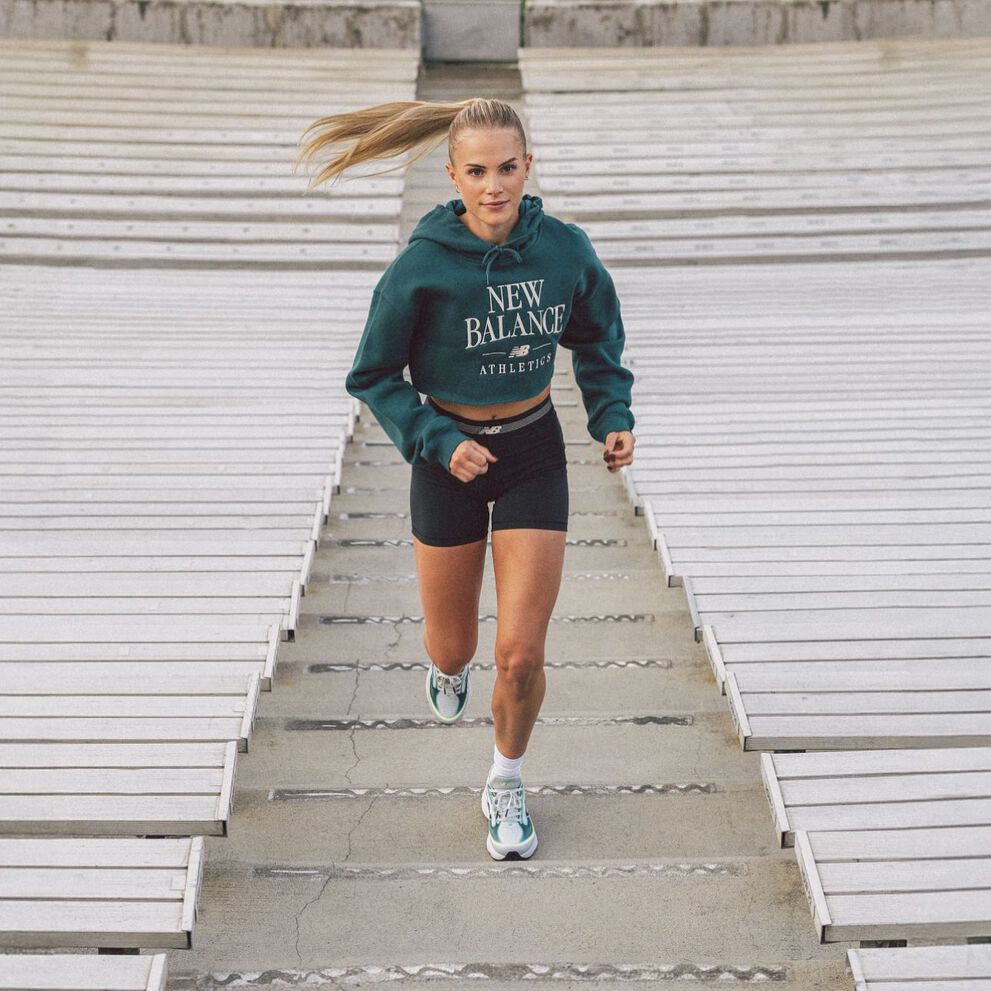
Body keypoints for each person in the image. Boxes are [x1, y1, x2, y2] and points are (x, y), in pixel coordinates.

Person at [294, 97, 636, 860]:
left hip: (531, 453)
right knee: (453, 647)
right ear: (451, 175)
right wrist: (436, 438)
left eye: (507, 168)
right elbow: (372, 374)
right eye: (476, 171)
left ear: (528, 167)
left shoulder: (564, 251)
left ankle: (505, 779)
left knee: (519, 653)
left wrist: (610, 412)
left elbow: (596, 339)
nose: (494, 186)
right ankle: (445, 671)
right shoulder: (419, 269)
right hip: (445, 464)